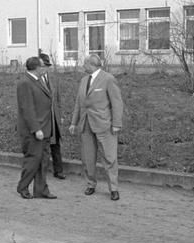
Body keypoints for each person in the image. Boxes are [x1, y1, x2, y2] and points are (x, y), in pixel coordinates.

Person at [69, 53, 124, 201]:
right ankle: (90, 184)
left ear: (91, 64)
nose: (82, 66)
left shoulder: (108, 79)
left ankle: (113, 188)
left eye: (84, 64)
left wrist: (117, 124)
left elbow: (117, 103)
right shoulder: (83, 80)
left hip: (104, 125)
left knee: (109, 158)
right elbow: (78, 104)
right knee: (88, 158)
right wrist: (74, 122)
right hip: (86, 125)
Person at [15, 56, 60, 199]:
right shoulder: (25, 83)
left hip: (45, 128)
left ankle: (41, 190)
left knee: (43, 161)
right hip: (34, 130)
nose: (44, 68)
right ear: (36, 68)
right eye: (42, 66)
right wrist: (36, 129)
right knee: (33, 160)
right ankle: (22, 187)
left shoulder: (37, 80)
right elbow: (27, 108)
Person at [38, 53, 66, 180]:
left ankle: (58, 170)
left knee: (56, 145)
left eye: (47, 66)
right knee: (42, 146)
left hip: (54, 117)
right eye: (44, 66)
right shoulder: (34, 80)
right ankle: (40, 171)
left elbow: (58, 99)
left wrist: (59, 115)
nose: (45, 69)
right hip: (42, 119)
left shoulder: (54, 79)